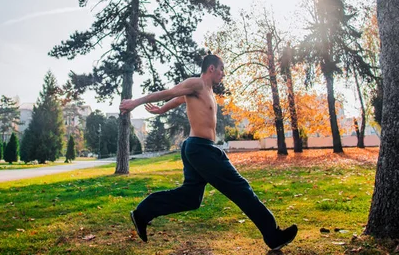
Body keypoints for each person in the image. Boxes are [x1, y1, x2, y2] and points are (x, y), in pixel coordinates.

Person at [119, 54, 298, 251]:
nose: (223, 74)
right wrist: (135, 103)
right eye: (221, 69)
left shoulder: (207, 91)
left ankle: (143, 212)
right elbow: (171, 92)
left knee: (191, 198)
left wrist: (162, 110)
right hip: (200, 148)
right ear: (211, 68)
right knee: (240, 188)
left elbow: (179, 99)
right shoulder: (197, 83)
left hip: (197, 148)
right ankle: (273, 235)